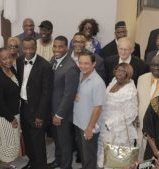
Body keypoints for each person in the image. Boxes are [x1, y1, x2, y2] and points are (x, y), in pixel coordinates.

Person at [17, 37, 53, 169]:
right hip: (23, 106)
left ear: (36, 48)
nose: (28, 51)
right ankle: (32, 162)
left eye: (31, 48)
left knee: (38, 142)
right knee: (27, 138)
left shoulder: (45, 66)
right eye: (25, 48)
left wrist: (40, 115)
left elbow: (46, 93)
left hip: (37, 109)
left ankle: (40, 165)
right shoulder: (19, 61)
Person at [97, 63, 138, 168]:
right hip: (104, 125)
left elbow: (131, 114)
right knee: (104, 157)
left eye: (123, 71)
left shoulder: (130, 91)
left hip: (119, 131)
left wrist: (110, 123)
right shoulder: (113, 81)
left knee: (117, 162)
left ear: (128, 73)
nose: (119, 73)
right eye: (117, 70)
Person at [48, 36, 79, 169]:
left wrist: (59, 115)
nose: (57, 49)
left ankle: (66, 166)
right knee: (57, 139)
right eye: (55, 46)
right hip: (52, 109)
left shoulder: (71, 66)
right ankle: (58, 160)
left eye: (60, 46)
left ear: (67, 48)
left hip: (63, 112)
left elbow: (69, 94)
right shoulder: (53, 60)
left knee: (65, 142)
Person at [73, 49, 106, 169]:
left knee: (89, 157)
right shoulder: (81, 75)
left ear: (94, 64)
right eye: (80, 62)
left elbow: (98, 108)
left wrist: (89, 128)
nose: (82, 66)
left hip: (88, 126)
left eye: (86, 63)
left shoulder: (97, 83)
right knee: (83, 155)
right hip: (79, 122)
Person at [0, 48, 20, 169]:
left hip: (13, 111)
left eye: (9, 57)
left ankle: (5, 164)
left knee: (11, 141)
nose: (8, 60)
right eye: (4, 58)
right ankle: (4, 165)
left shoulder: (11, 69)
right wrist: (11, 118)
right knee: (6, 142)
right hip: (2, 116)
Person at [137, 55, 159, 160]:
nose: (156, 68)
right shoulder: (141, 78)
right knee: (142, 160)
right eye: (154, 65)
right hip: (141, 127)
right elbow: (137, 101)